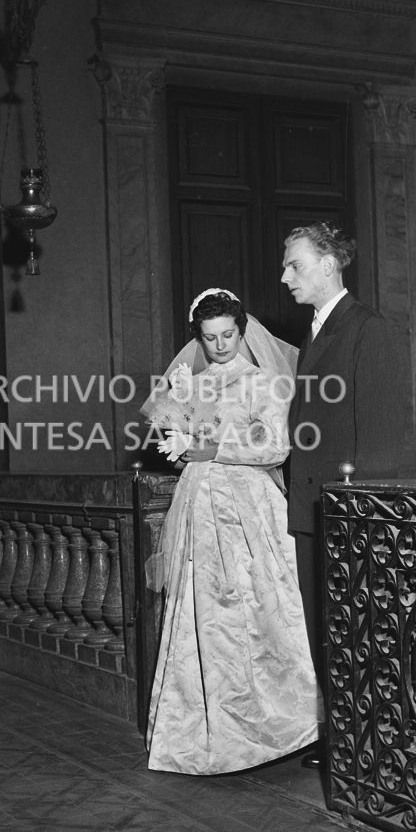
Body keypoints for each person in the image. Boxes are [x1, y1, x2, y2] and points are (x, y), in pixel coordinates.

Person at [140, 288, 320, 776]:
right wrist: (177, 443)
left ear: (242, 332)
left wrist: (213, 448)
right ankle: (201, 734)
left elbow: (276, 449)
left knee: (262, 609)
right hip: (198, 503)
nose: (219, 345)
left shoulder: (265, 383)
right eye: (209, 337)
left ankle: (282, 724)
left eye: (228, 335)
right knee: (202, 614)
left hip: (249, 506)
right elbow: (178, 436)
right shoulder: (191, 384)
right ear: (198, 336)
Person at [280, 222, 401, 768]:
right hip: (313, 506)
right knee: (325, 626)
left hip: (346, 512)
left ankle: (365, 744)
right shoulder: (317, 330)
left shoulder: (367, 328)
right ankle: (342, 738)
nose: (285, 277)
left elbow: (381, 434)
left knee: (354, 629)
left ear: (330, 265)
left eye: (295, 265)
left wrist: (365, 514)